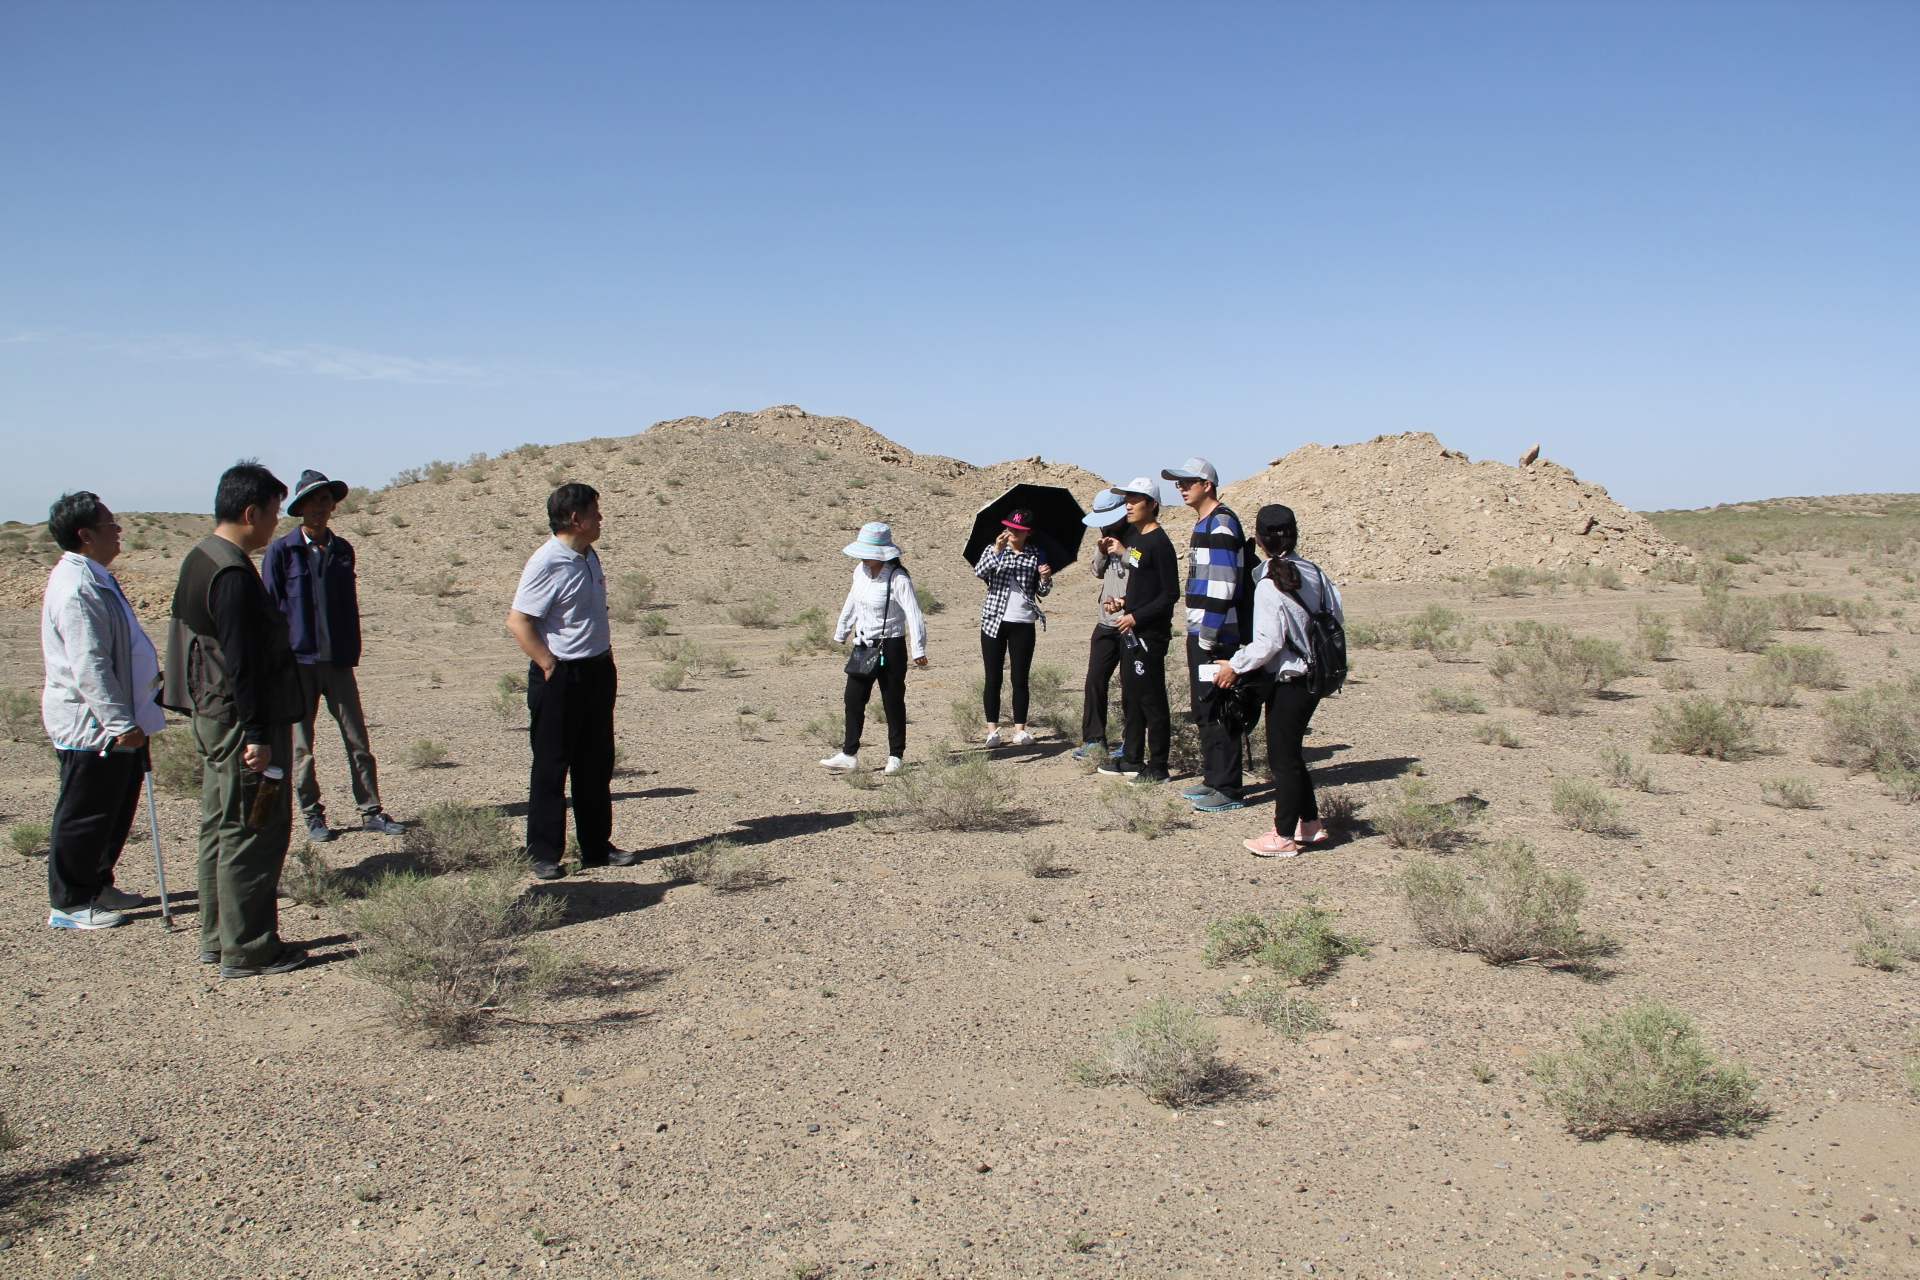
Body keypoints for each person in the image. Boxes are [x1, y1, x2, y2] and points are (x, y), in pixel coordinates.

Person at [162, 461, 308, 978]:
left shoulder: (201, 556)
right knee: (254, 828)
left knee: (221, 826)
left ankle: (218, 938)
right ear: (250, 512)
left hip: (215, 717)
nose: (276, 523)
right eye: (273, 512)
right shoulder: (232, 574)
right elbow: (243, 663)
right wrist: (258, 736)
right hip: (245, 725)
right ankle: (249, 948)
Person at [39, 492, 168, 930]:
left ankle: (96, 883)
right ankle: (71, 901)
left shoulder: (95, 576)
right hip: (93, 727)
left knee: (113, 808)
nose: (119, 530)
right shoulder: (77, 588)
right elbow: (89, 664)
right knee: (86, 811)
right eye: (111, 524)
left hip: (119, 723)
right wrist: (119, 723)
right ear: (86, 535)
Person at [261, 470, 403, 844]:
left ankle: (371, 811)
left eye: (325, 499)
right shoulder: (281, 551)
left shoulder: (342, 550)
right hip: (299, 664)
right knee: (302, 747)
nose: (319, 507)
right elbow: (270, 609)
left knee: (358, 740)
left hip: (338, 662)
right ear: (299, 508)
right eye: (312, 500)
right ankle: (312, 815)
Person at [508, 482, 633, 880]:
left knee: (595, 764)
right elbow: (518, 621)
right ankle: (544, 854)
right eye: (595, 512)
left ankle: (596, 847)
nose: (601, 518)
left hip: (598, 670)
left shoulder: (587, 554)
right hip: (562, 675)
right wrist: (549, 664)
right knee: (551, 765)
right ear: (576, 518)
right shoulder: (547, 562)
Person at [1213, 504, 1344, 857]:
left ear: (1258, 539)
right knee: (1292, 754)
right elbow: (1336, 615)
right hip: (1317, 675)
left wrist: (1235, 666)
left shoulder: (1270, 585)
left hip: (1291, 679)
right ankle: (1310, 823)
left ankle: (1283, 835)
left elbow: (1268, 643)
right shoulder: (1316, 573)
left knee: (1282, 760)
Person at [1163, 457, 1252, 813]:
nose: (1181, 488)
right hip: (1201, 631)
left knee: (1221, 710)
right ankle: (1213, 778)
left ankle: (1229, 788)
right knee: (1205, 708)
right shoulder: (1206, 522)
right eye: (1179, 483)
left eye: (1188, 482)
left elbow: (1224, 584)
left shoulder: (1221, 523)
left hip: (1216, 637)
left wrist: (1208, 636)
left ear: (1207, 485)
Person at [820, 523, 928, 775]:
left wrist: (918, 649)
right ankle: (849, 754)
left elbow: (914, 614)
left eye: (868, 552)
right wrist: (842, 631)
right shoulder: (860, 571)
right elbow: (852, 600)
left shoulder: (898, 578)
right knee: (853, 699)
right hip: (863, 645)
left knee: (892, 701)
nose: (863, 557)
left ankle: (896, 756)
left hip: (890, 646)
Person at [1096, 479, 1181, 785]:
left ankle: (1158, 766)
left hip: (1149, 635)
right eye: (1127, 499)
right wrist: (1123, 603)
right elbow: (1144, 582)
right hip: (1132, 631)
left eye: (1135, 500)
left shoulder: (1159, 543)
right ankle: (1132, 758)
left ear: (1153, 504)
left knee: (1151, 700)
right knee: (1131, 696)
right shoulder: (1140, 541)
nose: (1129, 505)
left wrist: (1136, 616)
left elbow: (1170, 594)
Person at [973, 508, 1052, 747]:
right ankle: (992, 731)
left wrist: (1045, 578)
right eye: (1010, 528)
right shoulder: (994, 550)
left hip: (1023, 622)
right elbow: (979, 572)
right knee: (993, 678)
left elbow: (1042, 592)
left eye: (1019, 530)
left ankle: (1020, 730)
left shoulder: (1037, 555)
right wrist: (996, 551)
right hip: (993, 620)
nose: (1013, 532)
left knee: (1020, 679)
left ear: (1029, 532)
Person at [1072, 488, 1131, 762]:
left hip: (1131, 621)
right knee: (1095, 680)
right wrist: (1101, 551)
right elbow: (1097, 572)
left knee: (1131, 686)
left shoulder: (1140, 535)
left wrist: (1125, 552)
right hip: (1105, 622)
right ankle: (1095, 741)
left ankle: (1132, 742)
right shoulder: (1106, 536)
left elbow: (1148, 567)